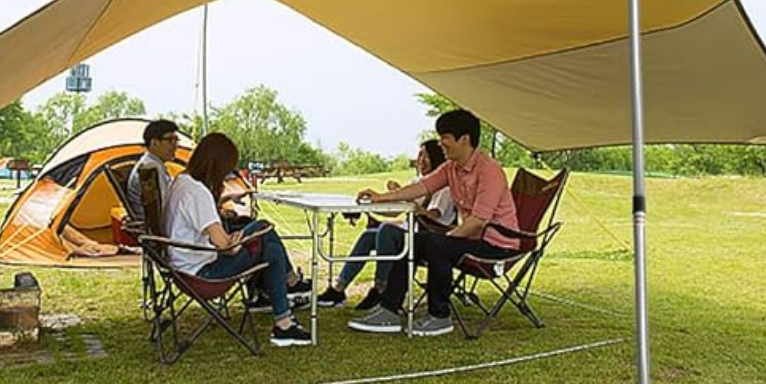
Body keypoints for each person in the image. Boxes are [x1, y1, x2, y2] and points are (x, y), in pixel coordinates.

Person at [349, 109, 519, 337]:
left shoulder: (490, 171)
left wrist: (444, 238)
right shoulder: (451, 168)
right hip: (471, 239)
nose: (440, 144)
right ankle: (388, 311)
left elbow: (478, 222)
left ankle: (440, 317)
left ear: (465, 139)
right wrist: (380, 197)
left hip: (497, 246)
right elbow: (421, 187)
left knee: (437, 244)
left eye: (445, 138)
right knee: (410, 241)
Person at [163, 131, 313, 347]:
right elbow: (224, 246)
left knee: (269, 248)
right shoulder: (198, 192)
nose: (227, 176)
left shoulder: (182, 181)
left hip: (182, 268)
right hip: (204, 275)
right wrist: (234, 243)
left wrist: (229, 233)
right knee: (264, 228)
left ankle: (284, 320)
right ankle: (290, 290)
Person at [316, 140, 455, 310]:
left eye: (426, 155)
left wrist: (407, 200)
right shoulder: (418, 182)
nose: (421, 159)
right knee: (369, 235)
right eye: (419, 154)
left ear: (437, 158)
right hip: (410, 233)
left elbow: (433, 216)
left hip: (430, 238)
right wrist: (367, 207)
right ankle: (339, 289)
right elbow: (394, 211)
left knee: (387, 230)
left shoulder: (444, 188)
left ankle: (381, 288)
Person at [126, 119, 180, 221]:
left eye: (176, 140)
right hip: (154, 229)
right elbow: (164, 207)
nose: (175, 145)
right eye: (170, 140)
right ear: (154, 143)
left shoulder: (153, 164)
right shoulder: (150, 168)